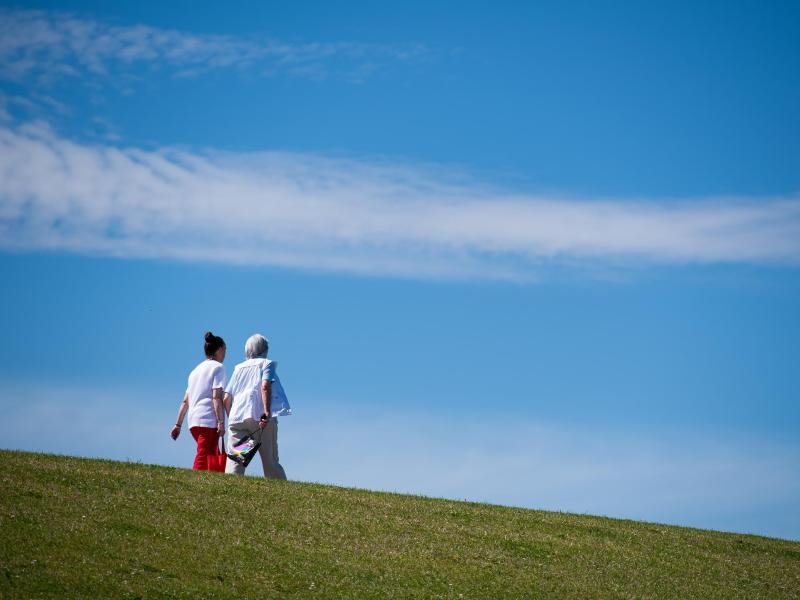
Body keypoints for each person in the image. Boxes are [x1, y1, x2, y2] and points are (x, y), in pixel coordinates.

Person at [224, 333, 290, 478]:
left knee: (236, 461)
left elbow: (226, 398)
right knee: (270, 462)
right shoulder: (267, 364)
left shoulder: (238, 368)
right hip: (260, 420)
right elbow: (265, 386)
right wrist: (266, 412)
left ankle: (229, 491)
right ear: (265, 349)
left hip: (237, 419)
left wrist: (232, 417)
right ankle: (280, 492)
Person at [170, 332, 227, 470]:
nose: (225, 355)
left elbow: (185, 401)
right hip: (208, 420)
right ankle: (195, 481)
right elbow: (216, 397)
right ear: (219, 350)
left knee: (210, 453)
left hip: (193, 421)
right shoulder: (218, 368)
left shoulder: (195, 371)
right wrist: (221, 422)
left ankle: (211, 482)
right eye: (225, 351)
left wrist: (178, 425)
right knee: (203, 454)